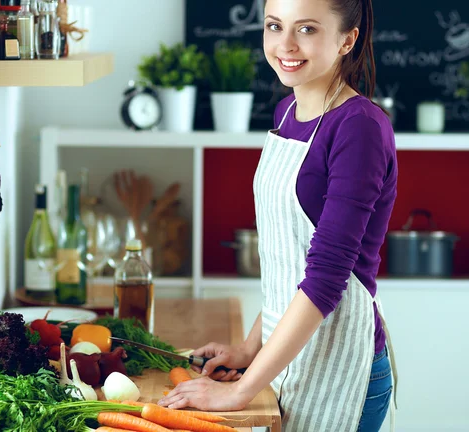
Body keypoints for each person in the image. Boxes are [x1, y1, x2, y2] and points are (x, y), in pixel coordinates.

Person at [159, 0, 398, 430]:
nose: (285, 44)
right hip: (287, 359)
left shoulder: (359, 126)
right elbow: (289, 263)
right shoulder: (286, 113)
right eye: (274, 26)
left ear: (348, 39)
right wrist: (250, 350)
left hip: (340, 365)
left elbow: (325, 278)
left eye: (306, 29)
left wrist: (239, 390)